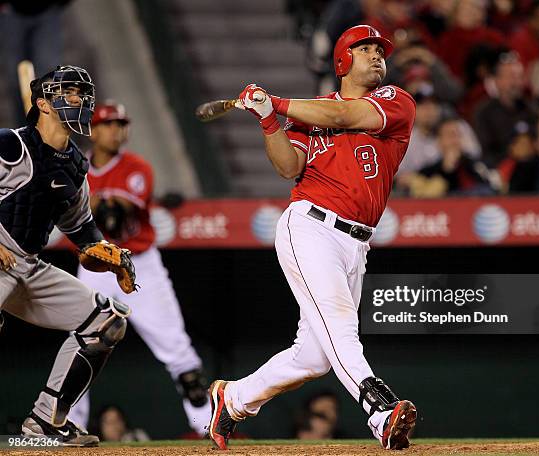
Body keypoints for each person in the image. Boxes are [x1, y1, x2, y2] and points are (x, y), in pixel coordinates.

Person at [208, 25, 417, 451]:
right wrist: (269, 120)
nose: (377, 56)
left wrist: (278, 102)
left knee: (314, 357)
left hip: (357, 242)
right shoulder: (311, 110)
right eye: (365, 49)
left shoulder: (397, 100)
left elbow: (345, 116)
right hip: (310, 226)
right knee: (342, 334)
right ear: (342, 60)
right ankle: (379, 411)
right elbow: (288, 167)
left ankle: (234, 398)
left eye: (380, 50)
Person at [0, 65, 134, 446]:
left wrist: (101, 250)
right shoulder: (11, 144)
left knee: (108, 322)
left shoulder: (75, 164)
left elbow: (81, 229)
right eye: (68, 92)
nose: (79, 99)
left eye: (81, 93)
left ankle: (46, 421)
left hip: (26, 264)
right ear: (42, 103)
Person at [67, 101, 211, 436]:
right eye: (108, 124)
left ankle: (206, 426)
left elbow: (113, 219)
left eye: (121, 124)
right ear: (94, 130)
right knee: (80, 347)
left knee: (177, 349)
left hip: (139, 265)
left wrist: (85, 193)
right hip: (95, 266)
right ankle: (70, 425)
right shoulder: (74, 166)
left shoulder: (137, 168)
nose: (116, 131)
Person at [473, 51, 539, 167]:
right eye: (511, 77)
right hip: (501, 171)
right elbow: (485, 153)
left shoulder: (531, 109)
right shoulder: (484, 113)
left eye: (519, 77)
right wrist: (512, 154)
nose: (516, 82)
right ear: (497, 81)